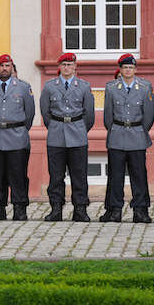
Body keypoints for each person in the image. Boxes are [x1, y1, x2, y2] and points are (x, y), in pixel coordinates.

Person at [100, 54, 154, 223]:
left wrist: (139, 129)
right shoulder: (111, 88)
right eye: (125, 68)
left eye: (131, 67)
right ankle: (114, 210)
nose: (128, 70)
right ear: (120, 70)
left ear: (135, 69)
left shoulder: (145, 87)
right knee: (115, 176)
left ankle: (140, 210)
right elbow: (107, 117)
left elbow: (149, 115)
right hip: (117, 134)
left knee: (139, 175)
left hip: (137, 134)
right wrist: (116, 127)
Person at [40, 52, 95, 222]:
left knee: (79, 175)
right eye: (63, 65)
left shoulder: (84, 86)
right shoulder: (50, 86)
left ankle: (80, 209)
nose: (66, 68)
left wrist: (79, 128)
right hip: (56, 134)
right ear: (59, 67)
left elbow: (89, 115)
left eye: (70, 65)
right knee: (56, 175)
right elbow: (45, 112)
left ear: (75, 67)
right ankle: (56, 209)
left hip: (78, 133)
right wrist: (57, 125)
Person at [0, 54, 35, 221]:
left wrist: (19, 129)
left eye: (7, 65)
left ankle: (19, 208)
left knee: (18, 175)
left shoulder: (24, 87)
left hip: (16, 136)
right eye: (1, 66)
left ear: (12, 68)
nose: (4, 68)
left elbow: (30, 113)